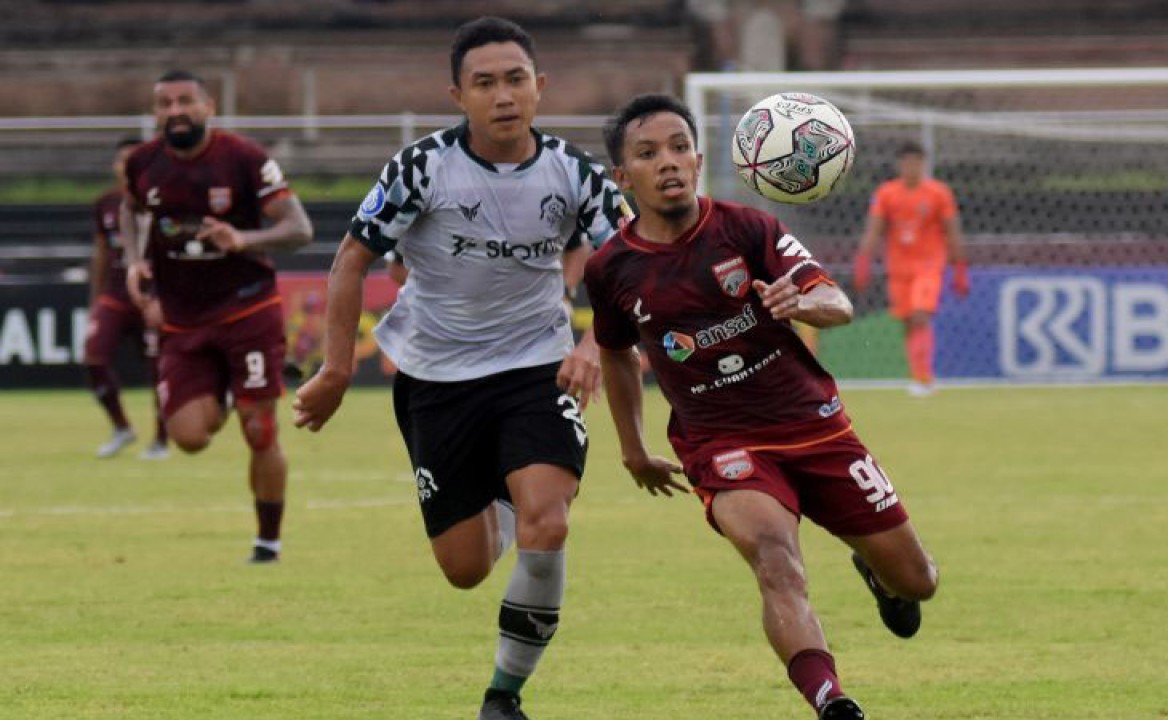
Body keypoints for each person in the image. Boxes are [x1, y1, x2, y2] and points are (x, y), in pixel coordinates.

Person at [291, 17, 629, 720]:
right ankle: (504, 500)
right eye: (485, 83)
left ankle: (503, 697)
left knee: (550, 522)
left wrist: (593, 345)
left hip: (538, 367)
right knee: (466, 569)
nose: (503, 95)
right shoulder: (420, 168)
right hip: (435, 378)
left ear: (540, 87)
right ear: (457, 95)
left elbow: (632, 265)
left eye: (515, 80)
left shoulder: (577, 173)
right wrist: (335, 370)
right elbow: (352, 258)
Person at [585, 94, 939, 720]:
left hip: (815, 427)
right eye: (647, 154)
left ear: (698, 158)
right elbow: (614, 353)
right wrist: (634, 447)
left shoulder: (749, 229)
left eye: (678, 147)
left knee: (920, 582)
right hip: (722, 443)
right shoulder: (611, 268)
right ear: (623, 178)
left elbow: (836, 300)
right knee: (777, 561)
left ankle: (880, 574)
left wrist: (803, 304)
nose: (667, 162)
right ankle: (832, 702)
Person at [119, 69, 314, 564]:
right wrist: (135, 260)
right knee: (187, 437)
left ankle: (267, 543)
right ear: (155, 112)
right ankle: (230, 388)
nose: (176, 111)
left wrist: (243, 239)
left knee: (258, 428)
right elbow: (130, 210)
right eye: (165, 103)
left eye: (186, 101)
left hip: (248, 307)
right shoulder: (142, 163)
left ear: (208, 107)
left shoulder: (244, 158)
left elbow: (299, 227)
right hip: (183, 319)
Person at [852, 141, 968, 397]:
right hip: (898, 268)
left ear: (923, 165)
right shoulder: (887, 193)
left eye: (916, 163)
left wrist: (959, 268)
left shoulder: (939, 193)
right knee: (907, 322)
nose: (911, 168)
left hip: (928, 266)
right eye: (906, 163)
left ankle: (923, 378)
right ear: (900, 165)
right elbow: (874, 229)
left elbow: (952, 231)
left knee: (920, 315)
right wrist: (863, 261)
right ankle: (918, 375)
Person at [85, 136, 168, 460]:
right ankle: (122, 427)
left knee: (159, 371)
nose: (128, 165)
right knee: (94, 356)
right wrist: (95, 298)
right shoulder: (105, 203)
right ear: (116, 166)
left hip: (153, 298)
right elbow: (102, 252)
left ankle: (161, 440)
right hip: (116, 295)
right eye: (123, 159)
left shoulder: (166, 201)